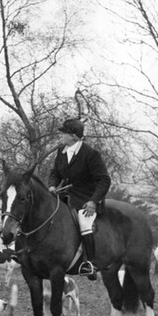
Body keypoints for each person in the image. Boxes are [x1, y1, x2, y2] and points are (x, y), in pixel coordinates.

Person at [47, 118, 110, 280]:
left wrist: (93, 201)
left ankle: (91, 264)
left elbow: (104, 180)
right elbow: (55, 173)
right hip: (64, 197)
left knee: (84, 222)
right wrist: (52, 185)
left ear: (74, 136)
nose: (61, 136)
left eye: (64, 133)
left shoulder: (91, 154)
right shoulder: (62, 151)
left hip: (85, 200)